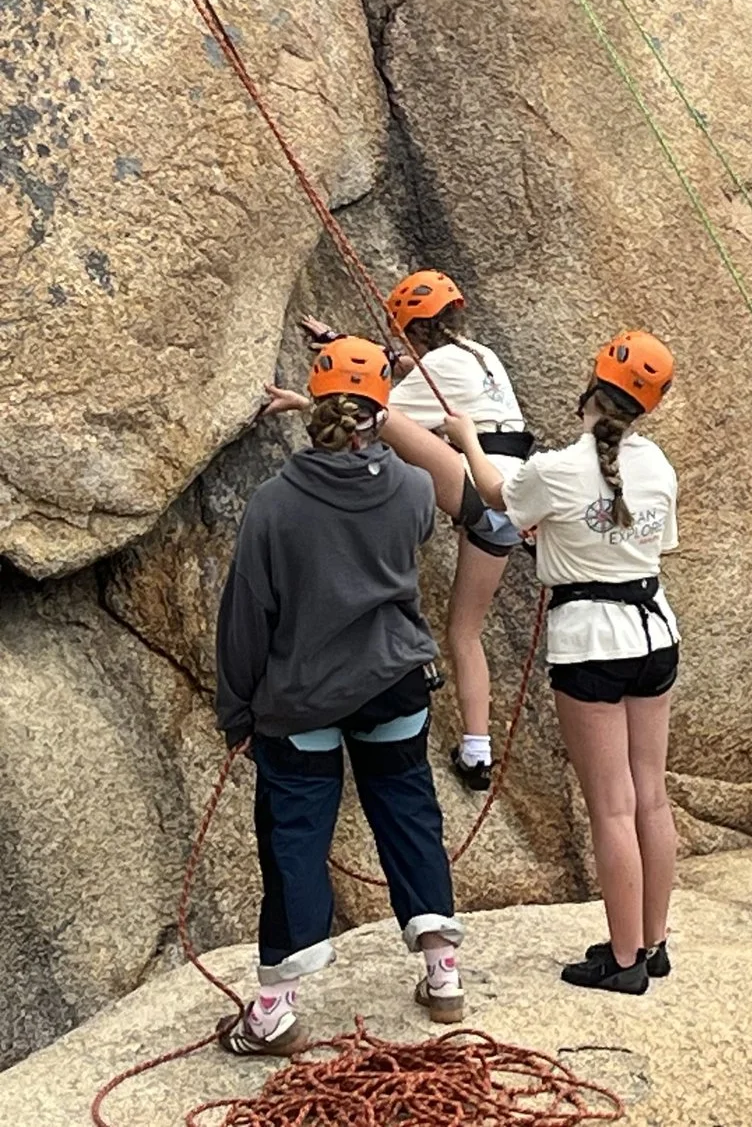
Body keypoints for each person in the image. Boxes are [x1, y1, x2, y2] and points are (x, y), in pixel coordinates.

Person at [216, 338, 466, 1054]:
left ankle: (276, 1008)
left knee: (295, 834)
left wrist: (237, 710)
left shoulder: (274, 504)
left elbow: (246, 617)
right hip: (393, 683)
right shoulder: (414, 489)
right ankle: (442, 970)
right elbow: (418, 515)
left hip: (300, 698)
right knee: (408, 810)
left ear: (315, 405)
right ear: (380, 411)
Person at [447, 331, 682, 996]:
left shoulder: (556, 469)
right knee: (650, 793)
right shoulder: (658, 466)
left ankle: (626, 956)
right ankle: (653, 942)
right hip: (653, 628)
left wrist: (466, 438)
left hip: (591, 639)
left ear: (591, 388)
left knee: (611, 806)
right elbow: (650, 540)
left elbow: (496, 496)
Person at [300, 270, 532, 792]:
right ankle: (477, 752)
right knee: (464, 631)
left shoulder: (442, 363)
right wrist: (341, 342)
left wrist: (314, 390)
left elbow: (374, 392)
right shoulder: (478, 354)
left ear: (410, 325)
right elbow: (406, 364)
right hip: (509, 508)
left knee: (375, 415)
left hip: (478, 487)